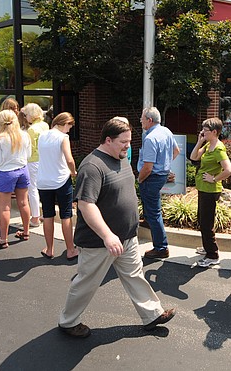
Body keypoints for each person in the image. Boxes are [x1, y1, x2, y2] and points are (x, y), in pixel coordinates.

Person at [58, 118, 176, 339]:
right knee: (86, 282)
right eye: (123, 142)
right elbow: (85, 204)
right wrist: (107, 235)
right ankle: (68, 321)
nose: (127, 146)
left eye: (130, 141)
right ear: (108, 140)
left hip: (127, 237)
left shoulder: (120, 158)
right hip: (99, 242)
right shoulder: (92, 166)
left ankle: (152, 314)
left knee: (134, 275)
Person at [189, 117, 231, 268]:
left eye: (205, 130)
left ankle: (212, 254)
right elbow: (194, 157)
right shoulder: (209, 145)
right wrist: (200, 141)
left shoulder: (219, 149)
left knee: (206, 223)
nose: (202, 132)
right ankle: (207, 246)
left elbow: (229, 170)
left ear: (215, 132)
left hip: (210, 190)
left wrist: (214, 179)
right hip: (203, 188)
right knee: (202, 219)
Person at [137, 107, 180, 260]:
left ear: (149, 120)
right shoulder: (166, 131)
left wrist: (140, 179)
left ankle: (161, 247)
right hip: (160, 176)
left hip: (151, 177)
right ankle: (148, 220)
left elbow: (147, 167)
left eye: (142, 118)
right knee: (153, 207)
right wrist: (165, 165)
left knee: (155, 212)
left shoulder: (150, 138)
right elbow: (176, 151)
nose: (140, 120)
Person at [37, 113, 79, 261]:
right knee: (66, 215)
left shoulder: (42, 135)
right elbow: (69, 159)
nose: (68, 130)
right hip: (61, 180)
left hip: (43, 180)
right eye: (69, 126)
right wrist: (73, 172)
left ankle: (49, 249)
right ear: (64, 123)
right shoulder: (63, 138)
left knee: (48, 214)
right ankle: (70, 250)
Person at [0, 110, 32, 248]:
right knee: (24, 203)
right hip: (22, 170)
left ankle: (3, 239)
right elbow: (29, 154)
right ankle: (26, 232)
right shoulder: (25, 135)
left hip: (6, 172)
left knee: (4, 208)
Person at [21, 103, 49, 228]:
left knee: (32, 189)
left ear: (31, 115)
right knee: (43, 187)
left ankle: (35, 217)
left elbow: (30, 149)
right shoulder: (45, 125)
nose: (26, 117)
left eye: (26, 114)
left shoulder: (32, 129)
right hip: (44, 159)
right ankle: (44, 213)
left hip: (33, 160)